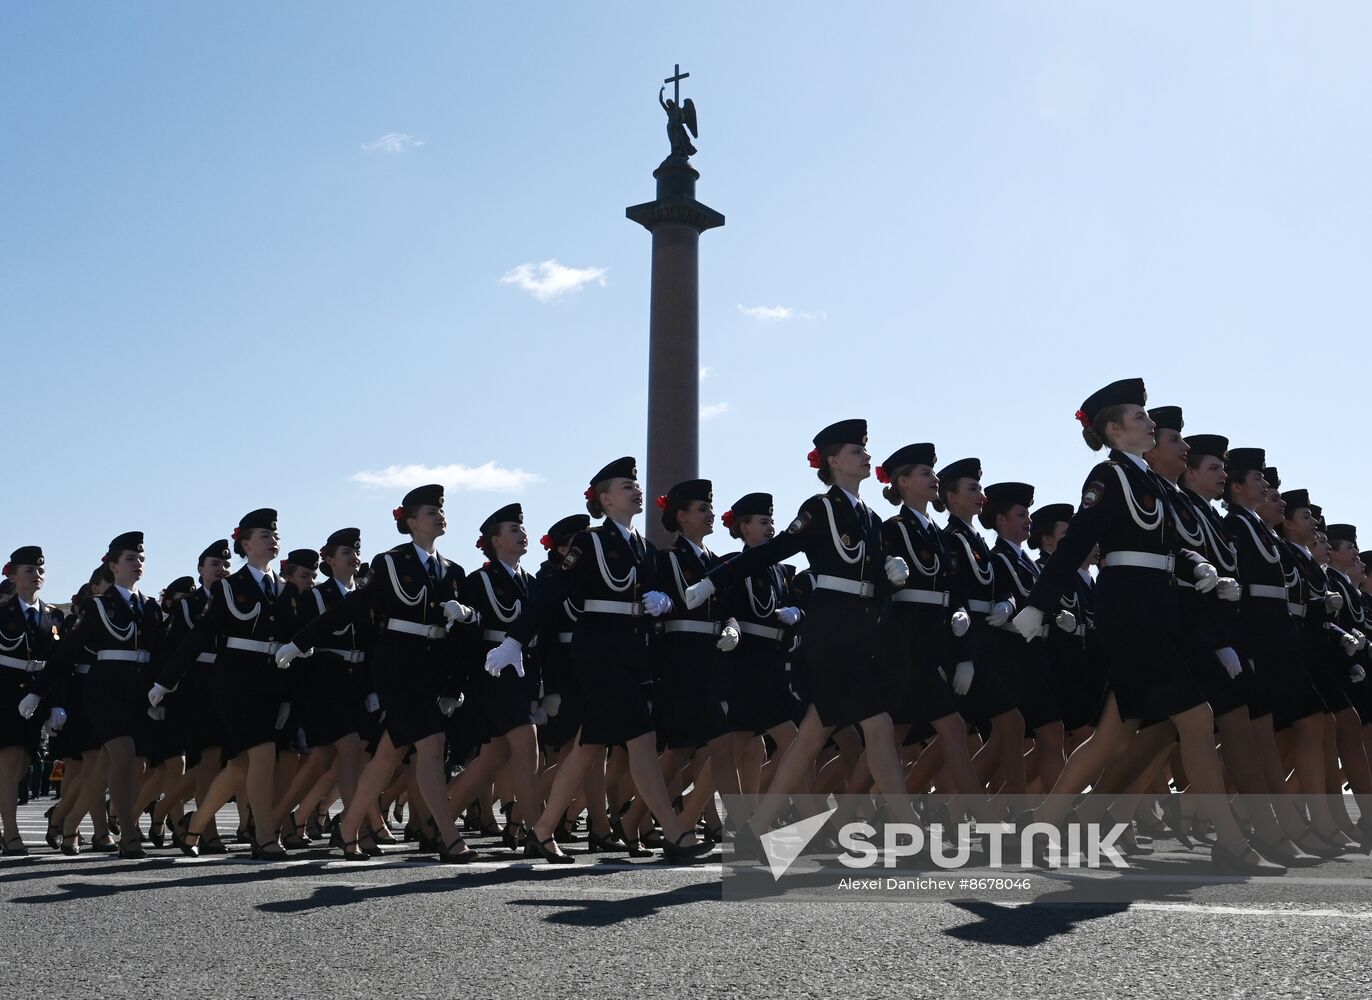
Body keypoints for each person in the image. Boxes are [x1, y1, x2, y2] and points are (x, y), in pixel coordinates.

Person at [1011, 378, 1284, 874]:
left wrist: (1197, 569)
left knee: (1113, 737)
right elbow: (1078, 543)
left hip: (1160, 614)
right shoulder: (1108, 477)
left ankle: (1042, 822)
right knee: (1198, 718)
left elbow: (1169, 547)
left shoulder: (1155, 484)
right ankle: (1229, 843)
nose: (1150, 422)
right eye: (1139, 417)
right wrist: (1038, 604)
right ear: (1114, 430)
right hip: (1130, 615)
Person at [674, 420, 922, 850]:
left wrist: (892, 574)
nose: (866, 456)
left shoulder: (869, 517)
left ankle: (755, 831)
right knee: (878, 725)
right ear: (833, 461)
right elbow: (771, 552)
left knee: (809, 737)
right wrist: (714, 581)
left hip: (860, 632)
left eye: (866, 450)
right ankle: (910, 830)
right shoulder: (821, 509)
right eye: (856, 451)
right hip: (829, 634)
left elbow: (871, 580)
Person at [482, 457, 713, 864]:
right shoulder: (589, 542)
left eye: (636, 485)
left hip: (630, 654)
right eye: (627, 486)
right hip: (598, 653)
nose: (636, 490)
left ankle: (540, 831)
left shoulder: (645, 548)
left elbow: (659, 594)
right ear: (606, 499)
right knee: (640, 739)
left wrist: (663, 599)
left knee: (589, 747)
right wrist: (516, 640)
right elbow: (551, 593)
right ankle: (676, 833)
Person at [278, 485, 482, 863]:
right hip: (398, 667)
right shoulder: (391, 562)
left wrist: (467, 616)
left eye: (441, 511)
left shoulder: (453, 571)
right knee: (433, 746)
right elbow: (356, 605)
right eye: (430, 513)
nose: (440, 516)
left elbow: (471, 629)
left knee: (389, 756)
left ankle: (347, 829)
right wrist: (301, 641)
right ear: (410, 522)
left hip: (432, 666)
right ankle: (449, 837)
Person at [154, 509, 294, 860]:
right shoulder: (231, 588)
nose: (272, 540)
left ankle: (194, 827)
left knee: (240, 765)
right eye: (264, 535)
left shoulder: (285, 589)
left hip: (271, 682)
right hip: (235, 681)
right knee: (262, 756)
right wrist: (165, 682)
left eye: (274, 535)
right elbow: (199, 636)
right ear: (245, 544)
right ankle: (263, 837)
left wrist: (289, 694)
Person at [875, 445, 988, 809]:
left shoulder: (940, 535)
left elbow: (952, 591)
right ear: (903, 482)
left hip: (932, 639)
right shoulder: (892, 529)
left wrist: (963, 645)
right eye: (925, 474)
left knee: (895, 734)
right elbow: (878, 585)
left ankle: (857, 811)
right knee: (936, 730)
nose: (934, 479)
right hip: (904, 640)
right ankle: (983, 819)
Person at [46, 532, 162, 859]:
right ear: (112, 566)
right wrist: (41, 694)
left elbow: (159, 654)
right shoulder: (99, 605)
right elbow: (66, 651)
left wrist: (162, 691)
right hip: (104, 691)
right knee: (122, 756)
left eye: (141, 558)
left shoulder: (148, 607)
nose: (138, 563)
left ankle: (68, 823)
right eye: (130, 559)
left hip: (137, 692)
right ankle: (128, 834)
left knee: (105, 771)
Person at [983, 481, 1068, 792]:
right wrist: (1009, 603)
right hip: (1011, 654)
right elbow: (1002, 595)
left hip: (1034, 654)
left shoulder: (1027, 562)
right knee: (1004, 737)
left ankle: (1055, 810)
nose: (1028, 520)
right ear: (1001, 520)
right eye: (1021, 514)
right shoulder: (998, 558)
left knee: (1051, 731)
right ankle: (963, 803)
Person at [717, 492, 802, 797]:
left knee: (749, 751)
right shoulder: (731, 565)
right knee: (795, 743)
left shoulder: (780, 570)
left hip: (773, 662)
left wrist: (796, 613)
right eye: (763, 522)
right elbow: (722, 608)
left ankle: (697, 815)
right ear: (744, 527)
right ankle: (812, 818)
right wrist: (730, 626)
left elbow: (793, 606)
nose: (770, 528)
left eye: (771, 521)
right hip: (747, 666)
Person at [2, 547, 64, 855]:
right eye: (29, 570)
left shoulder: (53, 616)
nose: (36, 575)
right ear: (13, 576)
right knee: (11, 761)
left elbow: (56, 665)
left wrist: (56, 704)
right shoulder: (2, 613)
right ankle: (12, 835)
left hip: (38, 695)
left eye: (40, 570)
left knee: (24, 764)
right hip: (5, 695)